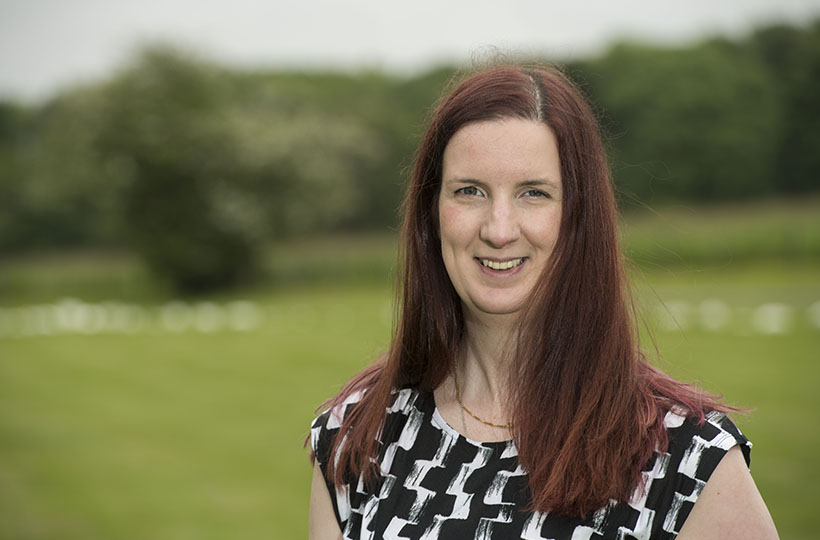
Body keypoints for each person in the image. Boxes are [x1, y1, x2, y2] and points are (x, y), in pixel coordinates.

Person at [308, 65, 778, 539]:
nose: (499, 229)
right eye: (470, 191)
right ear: (432, 214)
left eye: (534, 193)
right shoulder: (357, 434)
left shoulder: (684, 456)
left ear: (578, 217)